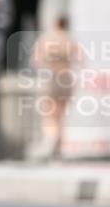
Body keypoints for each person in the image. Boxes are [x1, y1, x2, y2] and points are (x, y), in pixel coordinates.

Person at [32, 15, 80, 158]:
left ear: (56, 23)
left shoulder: (47, 38)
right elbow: (81, 60)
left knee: (49, 114)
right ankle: (59, 147)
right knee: (61, 115)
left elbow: (36, 60)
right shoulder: (70, 40)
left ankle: (50, 142)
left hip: (52, 78)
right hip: (66, 79)